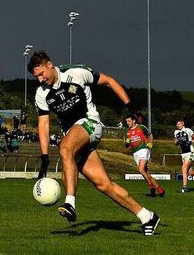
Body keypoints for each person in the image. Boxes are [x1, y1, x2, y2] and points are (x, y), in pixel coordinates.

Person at [30, 50, 159, 234]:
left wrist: (130, 106)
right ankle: (148, 217)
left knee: (65, 147)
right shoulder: (41, 94)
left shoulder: (75, 73)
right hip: (76, 137)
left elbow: (109, 81)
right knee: (104, 185)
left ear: (50, 64)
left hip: (90, 123)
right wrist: (44, 158)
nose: (40, 79)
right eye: (37, 77)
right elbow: (43, 125)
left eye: (41, 73)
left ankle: (70, 204)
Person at [125, 113, 163, 197]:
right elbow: (127, 146)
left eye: (129, 121)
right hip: (135, 153)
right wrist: (127, 143)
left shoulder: (141, 127)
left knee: (141, 170)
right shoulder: (127, 131)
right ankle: (160, 190)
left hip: (143, 150)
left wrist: (150, 143)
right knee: (147, 174)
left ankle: (151, 187)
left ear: (134, 121)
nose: (127, 123)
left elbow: (150, 134)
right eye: (126, 121)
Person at [174, 120, 194, 193]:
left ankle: (184, 187)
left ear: (183, 123)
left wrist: (191, 142)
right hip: (183, 153)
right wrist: (177, 142)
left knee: (183, 168)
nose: (178, 125)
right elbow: (175, 142)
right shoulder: (176, 132)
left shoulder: (188, 130)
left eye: (179, 124)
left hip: (190, 151)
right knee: (191, 173)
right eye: (177, 124)